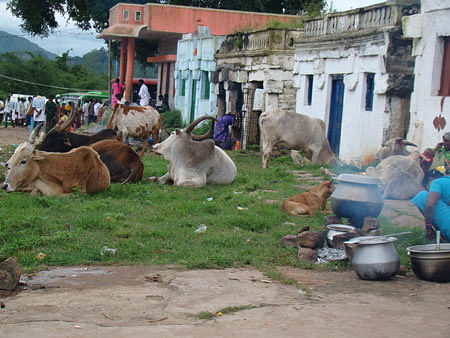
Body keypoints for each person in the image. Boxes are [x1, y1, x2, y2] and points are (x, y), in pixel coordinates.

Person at [411, 172, 450, 242]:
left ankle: (441, 237)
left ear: (430, 180)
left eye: (427, 188)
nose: (429, 191)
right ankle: (443, 238)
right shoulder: (447, 181)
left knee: (422, 196)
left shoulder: (436, 182)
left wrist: (428, 226)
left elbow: (429, 205)